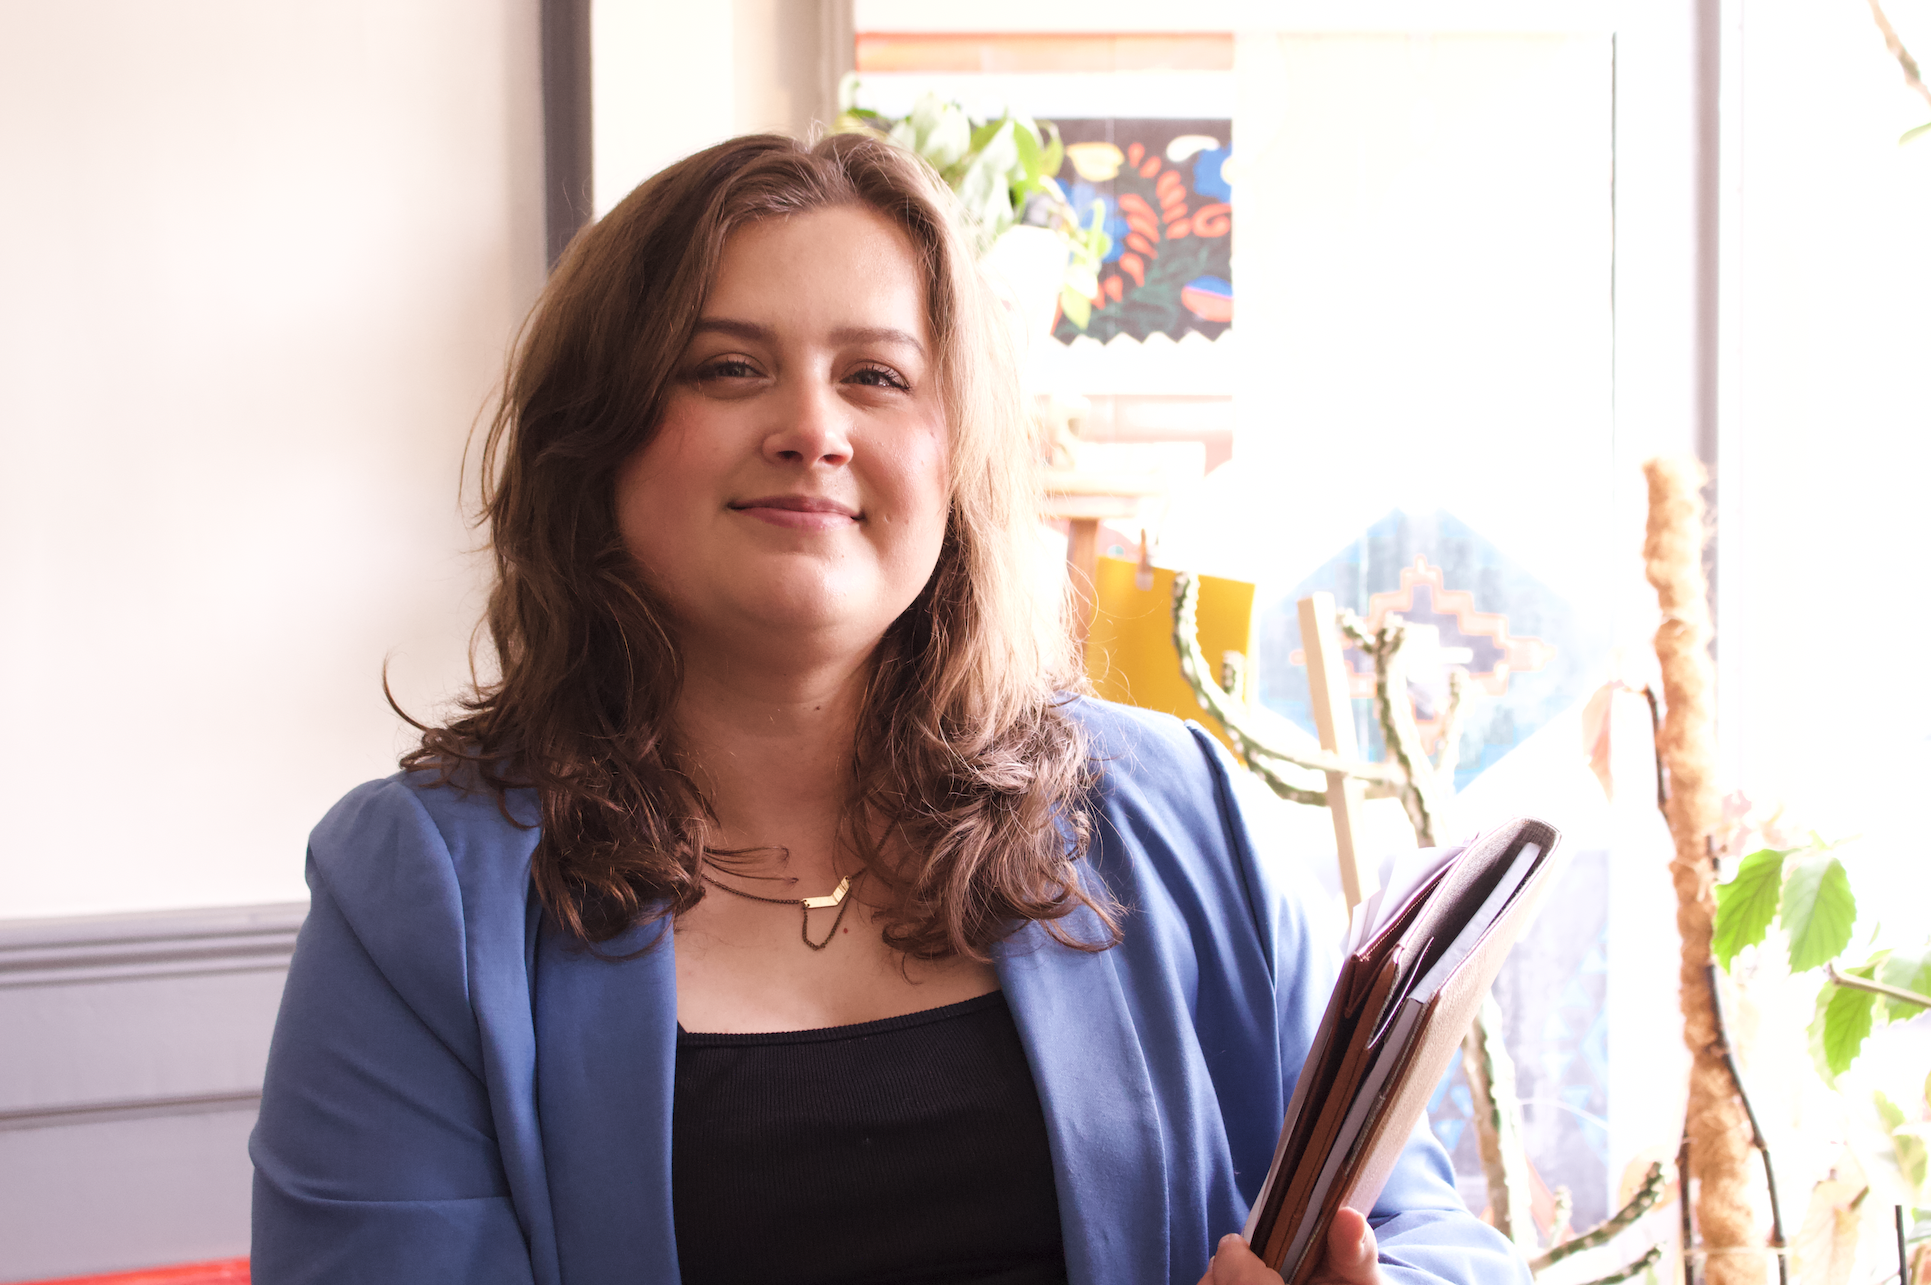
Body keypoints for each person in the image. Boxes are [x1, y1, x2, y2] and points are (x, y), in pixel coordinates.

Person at [248, 132, 1526, 1285]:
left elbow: (1426, 1235)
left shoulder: (1174, 808)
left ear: (952, 460)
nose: (812, 426)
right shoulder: (419, 894)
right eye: (728, 367)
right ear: (598, 446)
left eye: (875, 377)